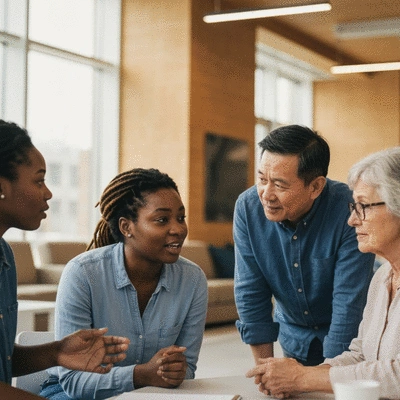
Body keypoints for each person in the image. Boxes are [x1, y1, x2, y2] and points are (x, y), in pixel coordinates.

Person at [40, 167, 208, 399]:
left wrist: (174, 371)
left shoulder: (192, 280)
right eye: (162, 220)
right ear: (126, 227)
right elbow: (73, 381)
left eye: (181, 218)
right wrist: (140, 375)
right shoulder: (83, 274)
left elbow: (187, 370)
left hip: (151, 393)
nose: (178, 229)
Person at [246, 146, 400, 399]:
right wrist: (299, 376)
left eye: (363, 206)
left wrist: (304, 377)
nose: (352, 220)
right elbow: (361, 354)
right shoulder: (382, 277)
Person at [0, 120, 130, 400]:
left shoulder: (4, 257)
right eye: (39, 180)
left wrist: (58, 352)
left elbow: (3, 360)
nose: (48, 193)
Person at [234, 125, 375, 367]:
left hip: (350, 344)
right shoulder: (248, 208)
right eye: (261, 179)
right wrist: (266, 370)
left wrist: (324, 375)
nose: (266, 194)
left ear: (315, 187)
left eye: (279, 185)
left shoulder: (350, 210)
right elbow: (250, 291)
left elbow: (348, 302)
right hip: (294, 338)